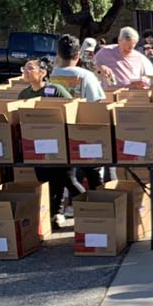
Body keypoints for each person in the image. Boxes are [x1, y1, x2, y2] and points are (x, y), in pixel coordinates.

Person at [17, 58, 86, 229]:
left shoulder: (55, 90)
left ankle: (93, 207)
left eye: (30, 68)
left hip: (60, 145)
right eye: (24, 68)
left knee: (68, 179)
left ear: (42, 73)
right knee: (46, 181)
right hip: (37, 146)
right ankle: (54, 214)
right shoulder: (24, 94)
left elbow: (71, 109)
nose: (25, 72)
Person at [51, 35, 107, 102]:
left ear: (58, 54)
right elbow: (96, 102)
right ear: (77, 55)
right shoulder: (87, 75)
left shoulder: (49, 74)